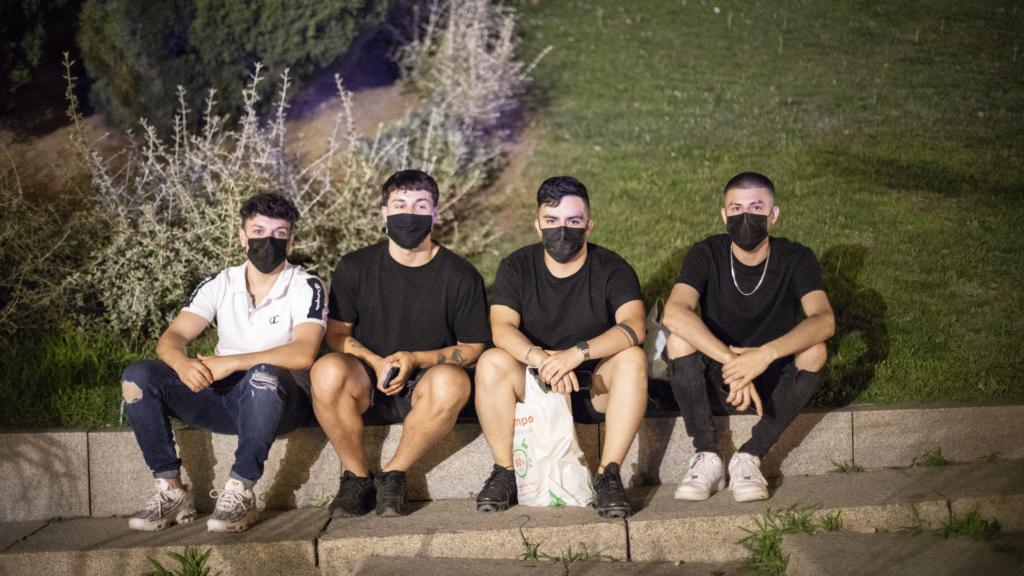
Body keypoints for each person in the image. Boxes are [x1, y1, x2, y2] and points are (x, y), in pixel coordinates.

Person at [120, 193, 327, 532]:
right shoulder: (221, 282)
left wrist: (231, 362)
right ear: (242, 236)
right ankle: (170, 490)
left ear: (291, 238)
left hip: (280, 403)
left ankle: (239, 491)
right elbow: (171, 339)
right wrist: (184, 365)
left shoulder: (307, 285)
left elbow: (303, 352)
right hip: (224, 399)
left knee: (263, 375)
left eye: (279, 234)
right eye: (258, 231)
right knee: (138, 376)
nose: (268, 241)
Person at [311, 169, 491, 518]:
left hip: (424, 387)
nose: (409, 214)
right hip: (366, 381)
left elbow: (472, 346)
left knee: (453, 381)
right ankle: (356, 476)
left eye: (421, 205)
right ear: (384, 212)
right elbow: (335, 335)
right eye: (400, 204)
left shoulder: (460, 275)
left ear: (435, 213)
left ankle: (394, 474)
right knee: (326, 370)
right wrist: (376, 361)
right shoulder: (355, 267)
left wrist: (416, 358)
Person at [474, 176, 648, 518]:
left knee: (633, 359)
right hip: (536, 385)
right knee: (492, 361)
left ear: (589, 225)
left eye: (573, 221)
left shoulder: (612, 267)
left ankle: (608, 476)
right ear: (537, 225)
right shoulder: (516, 266)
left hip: (595, 385)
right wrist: (541, 360)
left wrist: (575, 354)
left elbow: (633, 326)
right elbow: (501, 329)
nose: (562, 230)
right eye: (552, 221)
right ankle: (505, 471)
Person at [662, 171, 835, 502]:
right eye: (736, 208)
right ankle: (707, 456)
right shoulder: (706, 253)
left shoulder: (796, 257)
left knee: (816, 350)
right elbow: (674, 312)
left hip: (772, 377)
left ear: (773, 216)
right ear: (724, 215)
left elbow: (824, 320)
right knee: (678, 339)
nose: (745, 217)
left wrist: (763, 356)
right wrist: (733, 363)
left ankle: (750, 455)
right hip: (717, 372)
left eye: (756, 208)